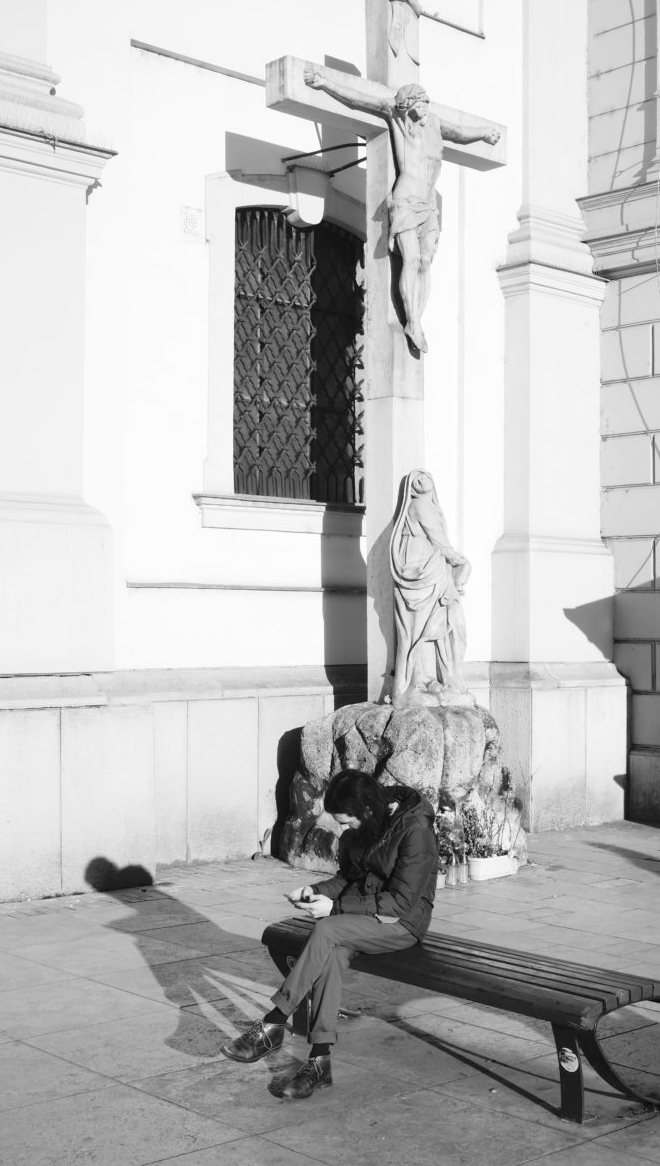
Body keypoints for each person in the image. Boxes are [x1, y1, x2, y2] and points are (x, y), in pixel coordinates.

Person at [220, 768, 439, 1099]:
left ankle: (274, 1022)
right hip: (370, 916)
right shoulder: (367, 827)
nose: (344, 828)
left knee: (327, 929)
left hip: (403, 923)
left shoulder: (414, 830)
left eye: (347, 821)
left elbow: (402, 902)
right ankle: (319, 1059)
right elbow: (351, 878)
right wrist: (315, 889)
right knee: (332, 954)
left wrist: (335, 909)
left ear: (366, 810)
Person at [303, 66, 500, 354]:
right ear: (407, 104)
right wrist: (326, 83)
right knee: (411, 260)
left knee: (424, 263)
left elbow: (460, 132)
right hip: (406, 200)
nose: (424, 108)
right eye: (418, 103)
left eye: (425, 103)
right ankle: (413, 322)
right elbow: (359, 99)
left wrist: (484, 133)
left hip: (428, 205)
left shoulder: (434, 125)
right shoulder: (396, 118)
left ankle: (416, 319)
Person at [390, 469, 471, 705]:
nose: (422, 479)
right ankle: (418, 681)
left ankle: (430, 679)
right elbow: (437, 538)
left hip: (430, 566)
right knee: (421, 628)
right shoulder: (420, 506)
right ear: (411, 487)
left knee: (432, 626)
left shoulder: (428, 506)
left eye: (426, 476)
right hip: (422, 567)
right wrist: (458, 560)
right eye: (417, 478)